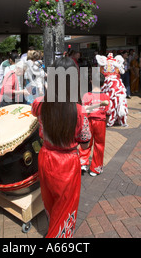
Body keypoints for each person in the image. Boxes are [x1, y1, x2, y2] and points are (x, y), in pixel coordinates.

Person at [31, 57, 91, 238]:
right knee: (65, 208)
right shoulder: (78, 111)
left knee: (50, 201)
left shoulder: (40, 104)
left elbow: (34, 114)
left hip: (45, 156)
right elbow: (85, 141)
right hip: (66, 163)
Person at [80, 73, 110, 176]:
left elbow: (84, 110)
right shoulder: (106, 97)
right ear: (103, 83)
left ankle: (82, 162)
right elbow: (108, 112)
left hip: (88, 121)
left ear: (91, 81)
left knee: (86, 140)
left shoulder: (87, 95)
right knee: (99, 145)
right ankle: (95, 168)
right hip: (100, 122)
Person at [96, 53, 128, 127]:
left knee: (107, 100)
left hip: (106, 83)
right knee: (119, 100)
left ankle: (109, 119)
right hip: (116, 83)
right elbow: (122, 71)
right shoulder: (116, 61)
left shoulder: (103, 62)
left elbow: (99, 72)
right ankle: (119, 118)